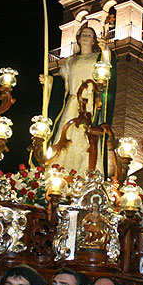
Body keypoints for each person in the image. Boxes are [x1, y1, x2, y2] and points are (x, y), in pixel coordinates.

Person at [39, 24, 114, 175]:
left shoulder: (97, 58)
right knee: (64, 133)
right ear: (78, 39)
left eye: (89, 35)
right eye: (83, 35)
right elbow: (62, 83)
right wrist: (49, 81)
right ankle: (58, 171)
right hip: (72, 103)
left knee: (87, 136)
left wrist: (106, 51)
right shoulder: (69, 61)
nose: (86, 37)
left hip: (90, 104)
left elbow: (106, 70)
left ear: (94, 41)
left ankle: (86, 171)